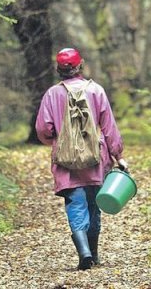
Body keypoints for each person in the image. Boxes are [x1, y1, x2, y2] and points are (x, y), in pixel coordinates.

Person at [35, 47, 128, 270]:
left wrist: (56, 140)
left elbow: (43, 128)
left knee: (75, 204)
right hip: (96, 160)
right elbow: (109, 128)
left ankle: (83, 252)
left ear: (58, 69)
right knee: (95, 206)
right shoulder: (96, 91)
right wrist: (119, 155)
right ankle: (93, 254)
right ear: (81, 65)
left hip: (66, 164)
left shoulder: (52, 94)